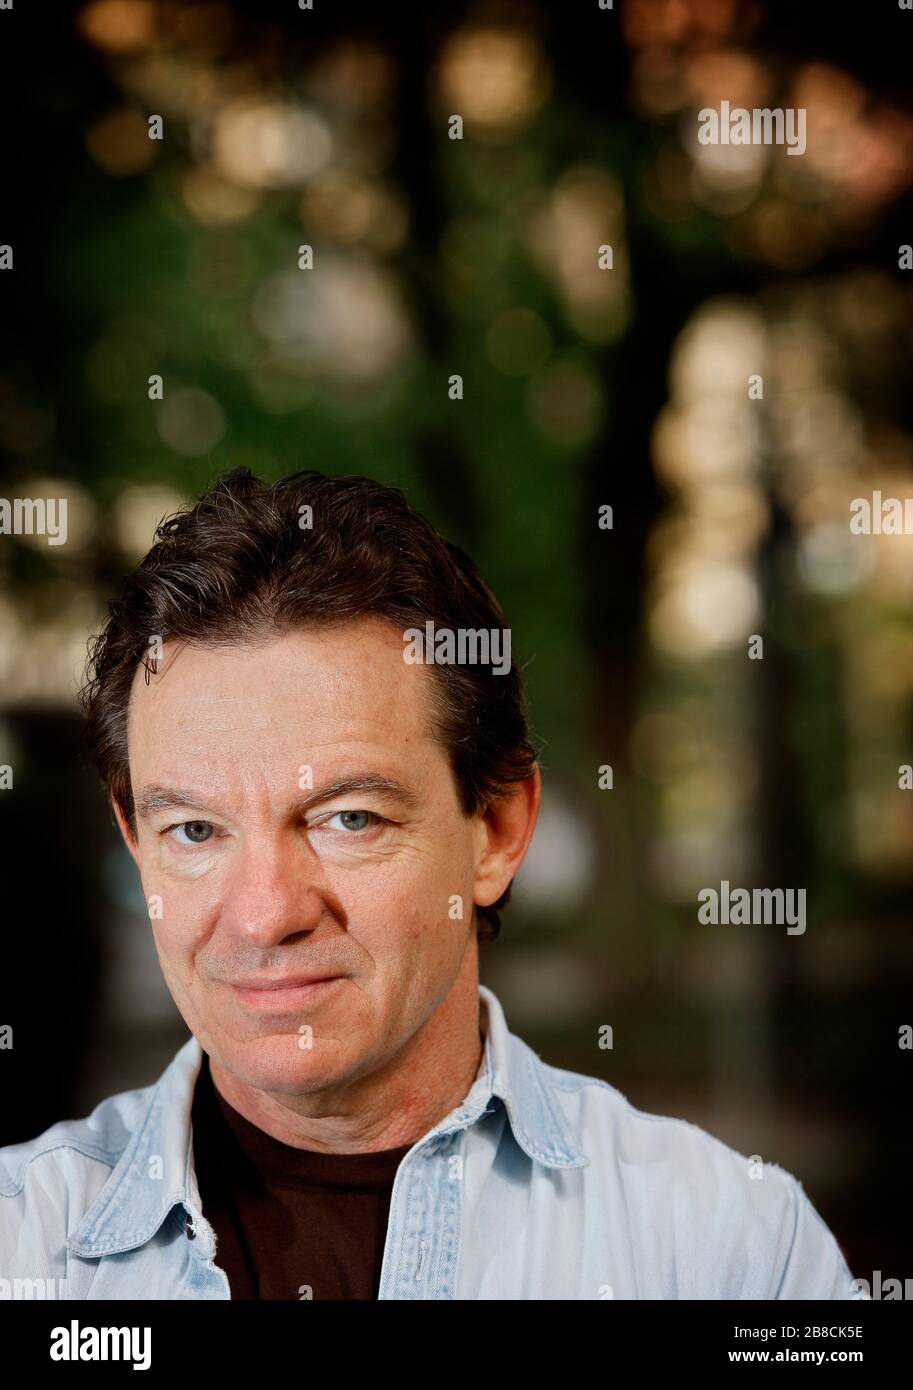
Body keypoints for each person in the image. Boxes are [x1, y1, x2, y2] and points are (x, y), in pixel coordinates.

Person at [0, 469, 862, 1300]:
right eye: (194, 831)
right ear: (136, 843)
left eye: (349, 819)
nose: (263, 915)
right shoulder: (20, 1242)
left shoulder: (730, 1249)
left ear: (495, 829)